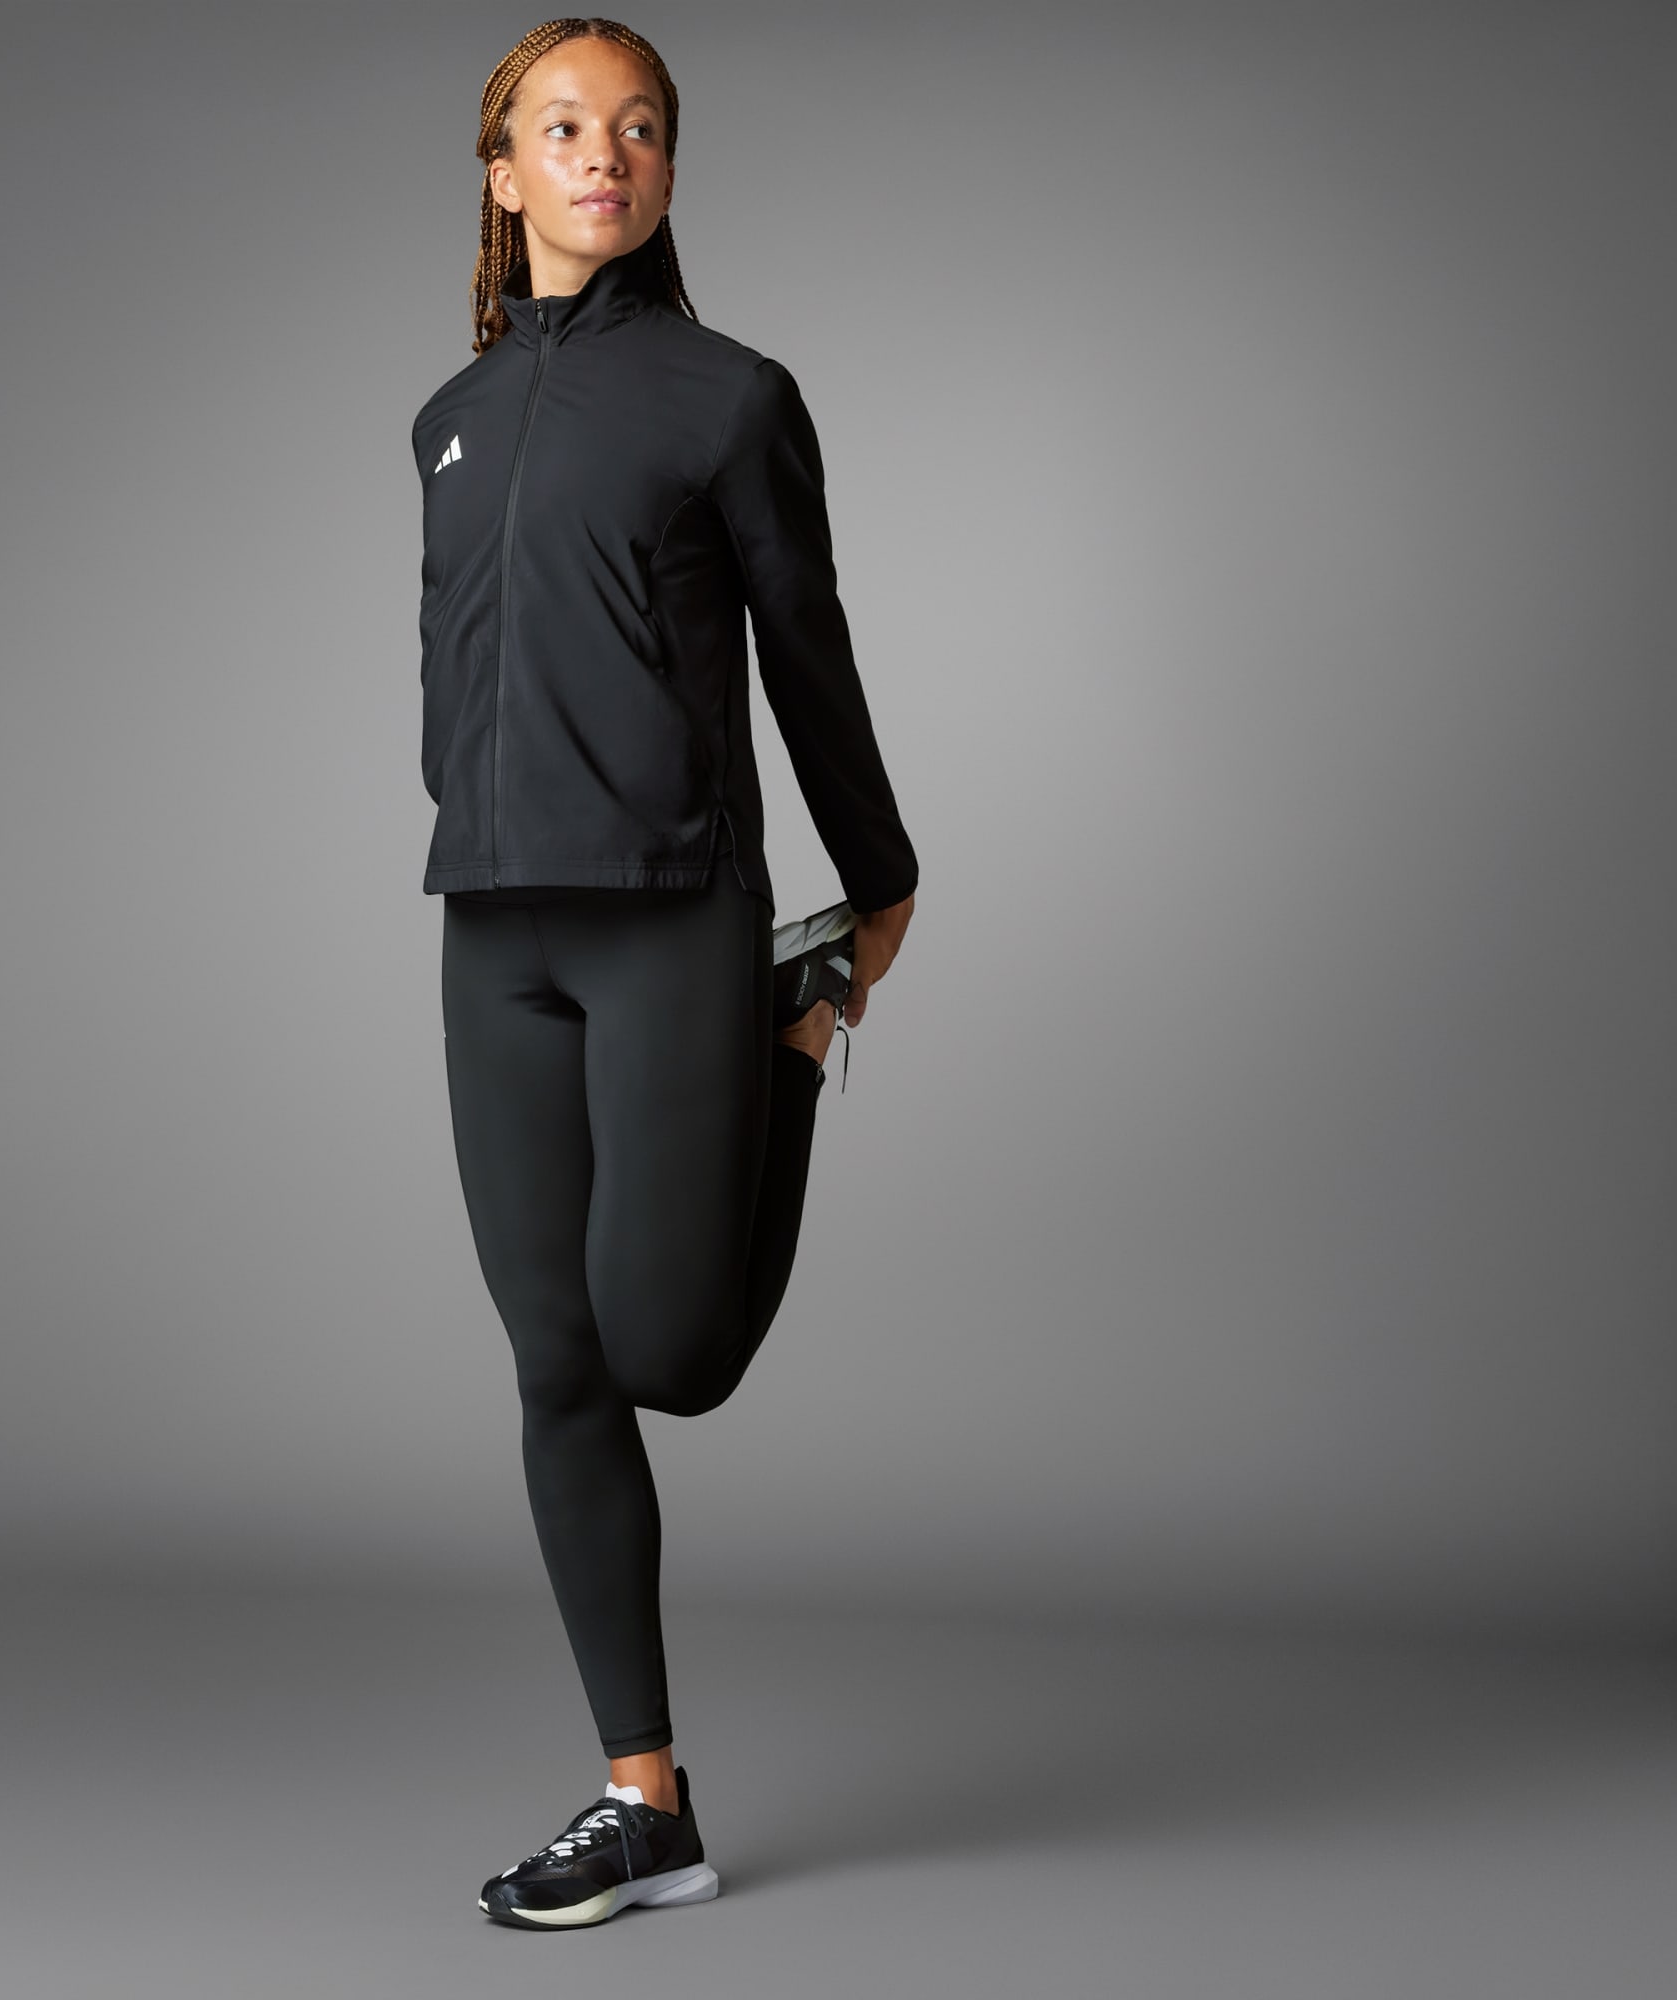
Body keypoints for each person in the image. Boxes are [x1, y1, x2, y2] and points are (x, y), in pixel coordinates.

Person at [411, 16, 918, 1930]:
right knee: (555, 1362)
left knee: (672, 1357)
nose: (602, 153)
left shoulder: (728, 398)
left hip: (672, 912)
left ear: (668, 172)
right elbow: (457, 662)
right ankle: (646, 1803)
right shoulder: (447, 420)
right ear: (504, 173)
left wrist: (878, 880)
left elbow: (808, 644)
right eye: (564, 127)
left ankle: (796, 1034)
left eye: (637, 128)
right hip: (495, 928)